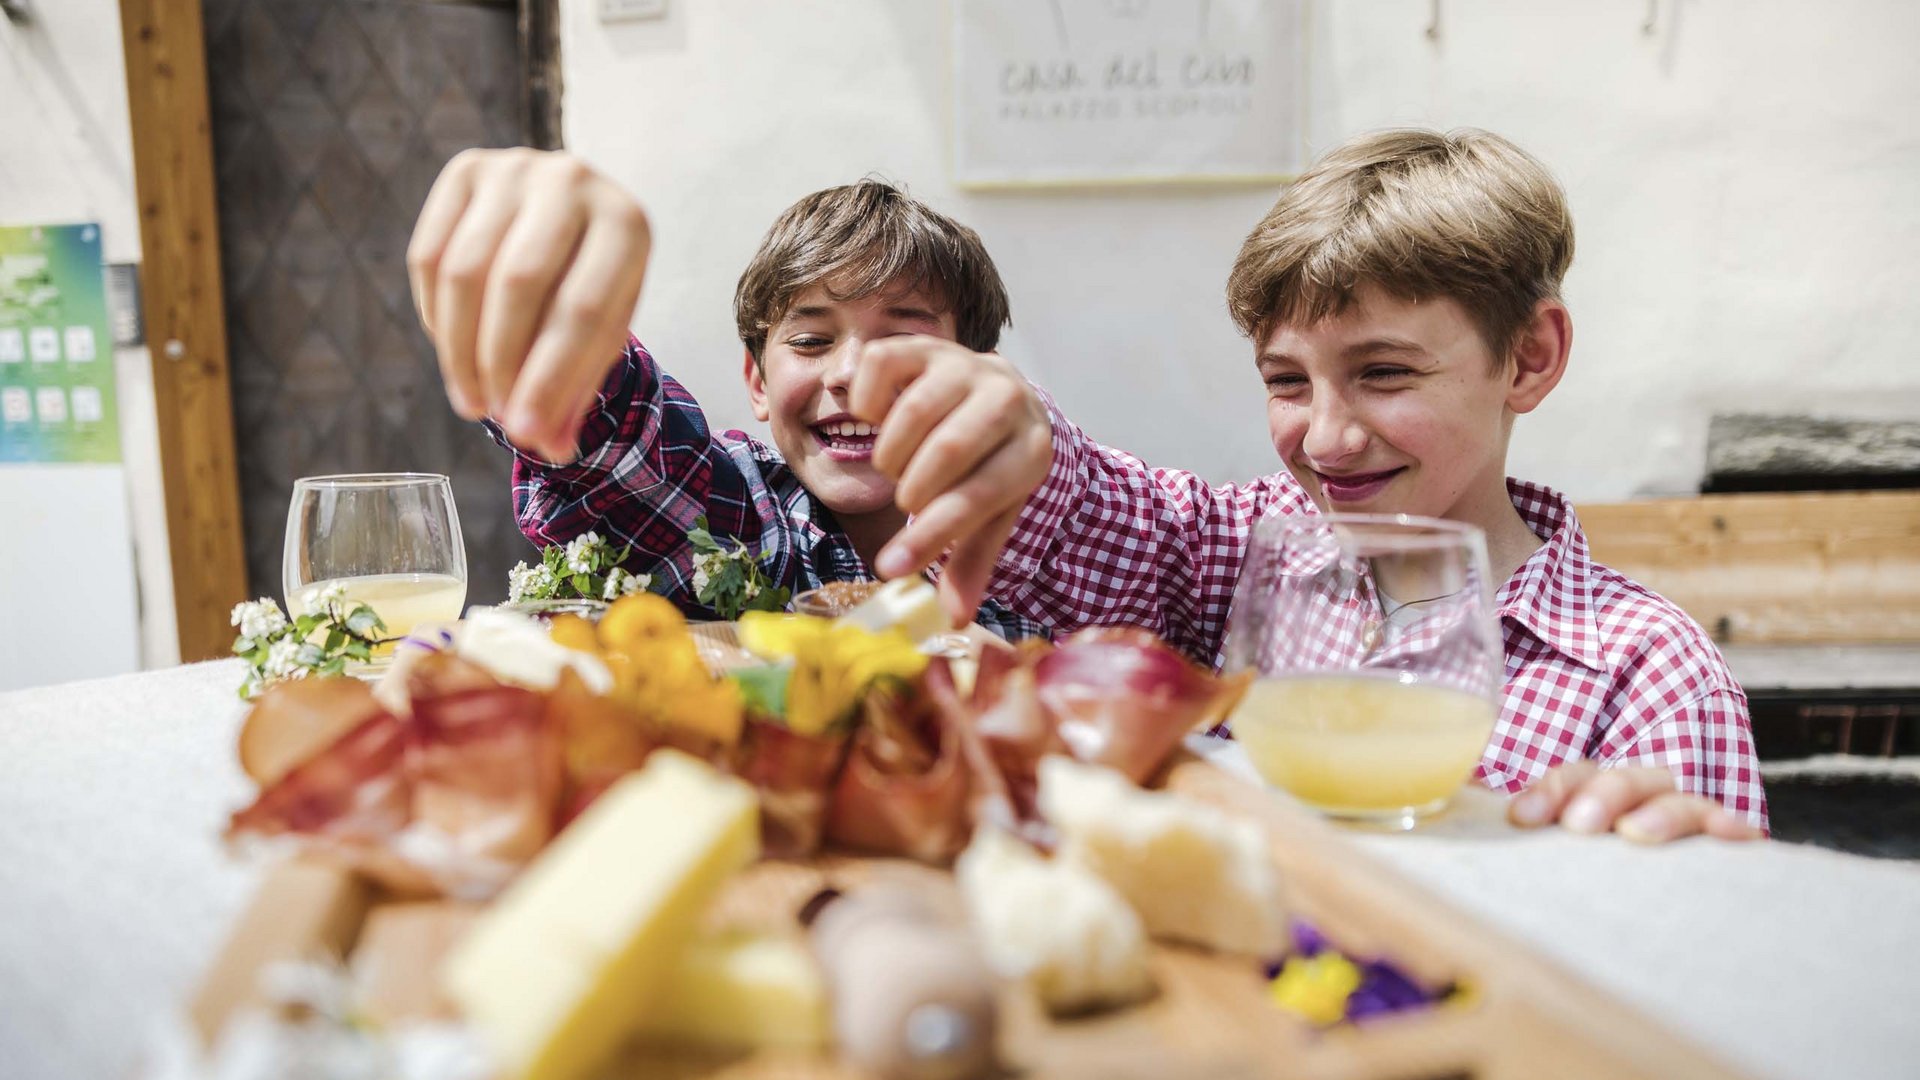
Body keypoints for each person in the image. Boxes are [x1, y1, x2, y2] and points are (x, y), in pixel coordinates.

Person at [947, 127, 1767, 840]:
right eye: (1287, 381)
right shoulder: (1245, 555)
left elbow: (1698, 968)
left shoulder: (1648, 676)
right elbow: (1086, 513)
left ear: (1529, 358)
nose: (1328, 438)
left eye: (1383, 372)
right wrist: (1011, 439)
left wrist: (1638, 865)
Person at [403, 150, 1050, 633]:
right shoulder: (741, 521)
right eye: (810, 342)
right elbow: (623, 437)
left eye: (900, 340)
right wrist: (546, 281)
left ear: (981, 373)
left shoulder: (1053, 535)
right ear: (758, 383)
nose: (850, 374)